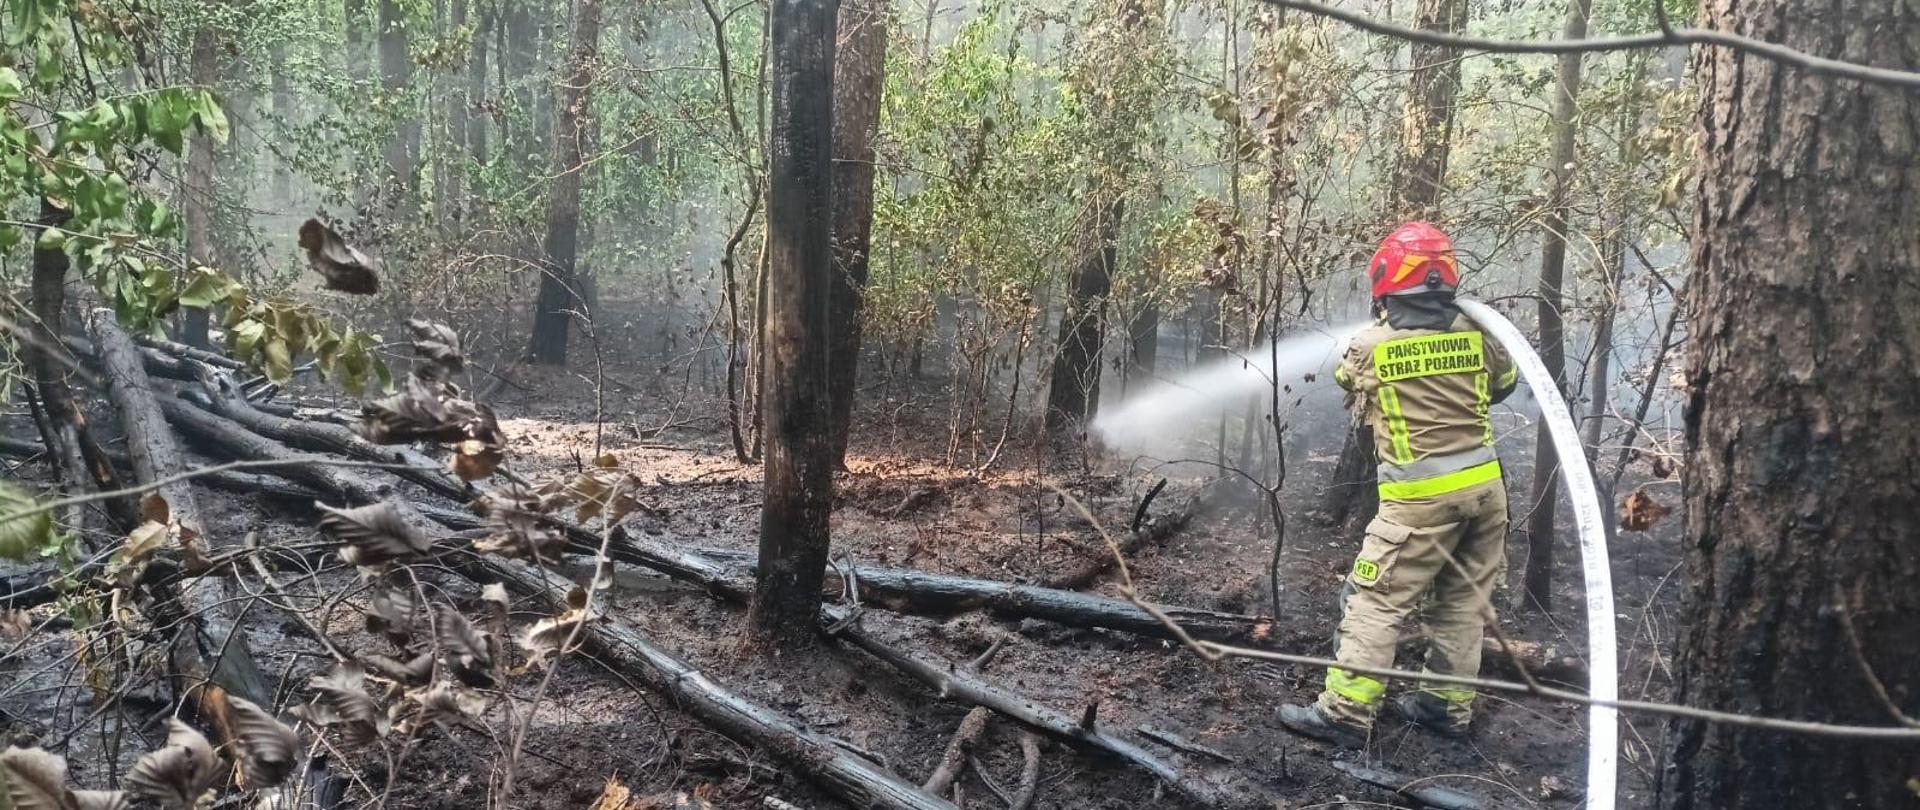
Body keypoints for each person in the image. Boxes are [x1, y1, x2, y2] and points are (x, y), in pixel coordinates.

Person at [1278, 221, 1518, 748]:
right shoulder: (1481, 337)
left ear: (1385, 279)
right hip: (1486, 497)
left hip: (1418, 504)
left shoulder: (1370, 347)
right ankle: (1444, 710)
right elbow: (1505, 387)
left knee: (1375, 601)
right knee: (1461, 603)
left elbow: (1345, 379)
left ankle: (1344, 713)